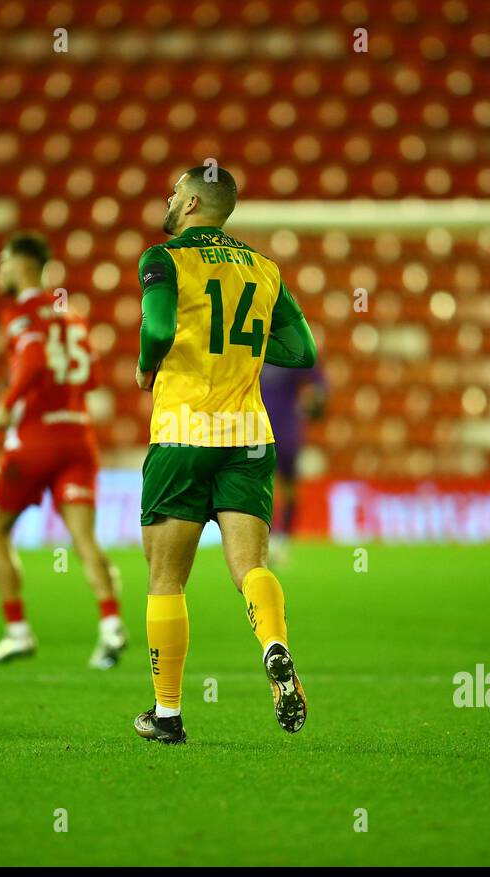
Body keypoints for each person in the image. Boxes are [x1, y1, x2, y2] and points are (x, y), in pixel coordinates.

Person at [132, 164, 318, 744]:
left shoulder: (163, 258)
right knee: (250, 567)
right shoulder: (264, 269)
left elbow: (159, 326)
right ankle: (275, 644)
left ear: (189, 202)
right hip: (249, 436)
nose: (168, 199)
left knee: (167, 579)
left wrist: (146, 366)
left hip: (183, 434)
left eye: (173, 192)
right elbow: (302, 348)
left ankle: (167, 715)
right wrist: (241, 352)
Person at [0, 232, 128, 670]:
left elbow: (34, 357)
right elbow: (94, 377)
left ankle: (17, 632)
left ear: (22, 267)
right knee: (84, 538)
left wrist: (7, 403)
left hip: (35, 439)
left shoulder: (20, 313)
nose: (0, 270)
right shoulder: (73, 314)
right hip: (79, 436)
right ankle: (110, 625)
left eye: (4, 262)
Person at [258, 362, 326, 565]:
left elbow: (319, 383)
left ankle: (283, 541)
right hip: (256, 431)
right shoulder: (252, 346)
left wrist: (312, 399)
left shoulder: (289, 349)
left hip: (286, 431)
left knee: (287, 489)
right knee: (258, 488)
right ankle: (261, 542)